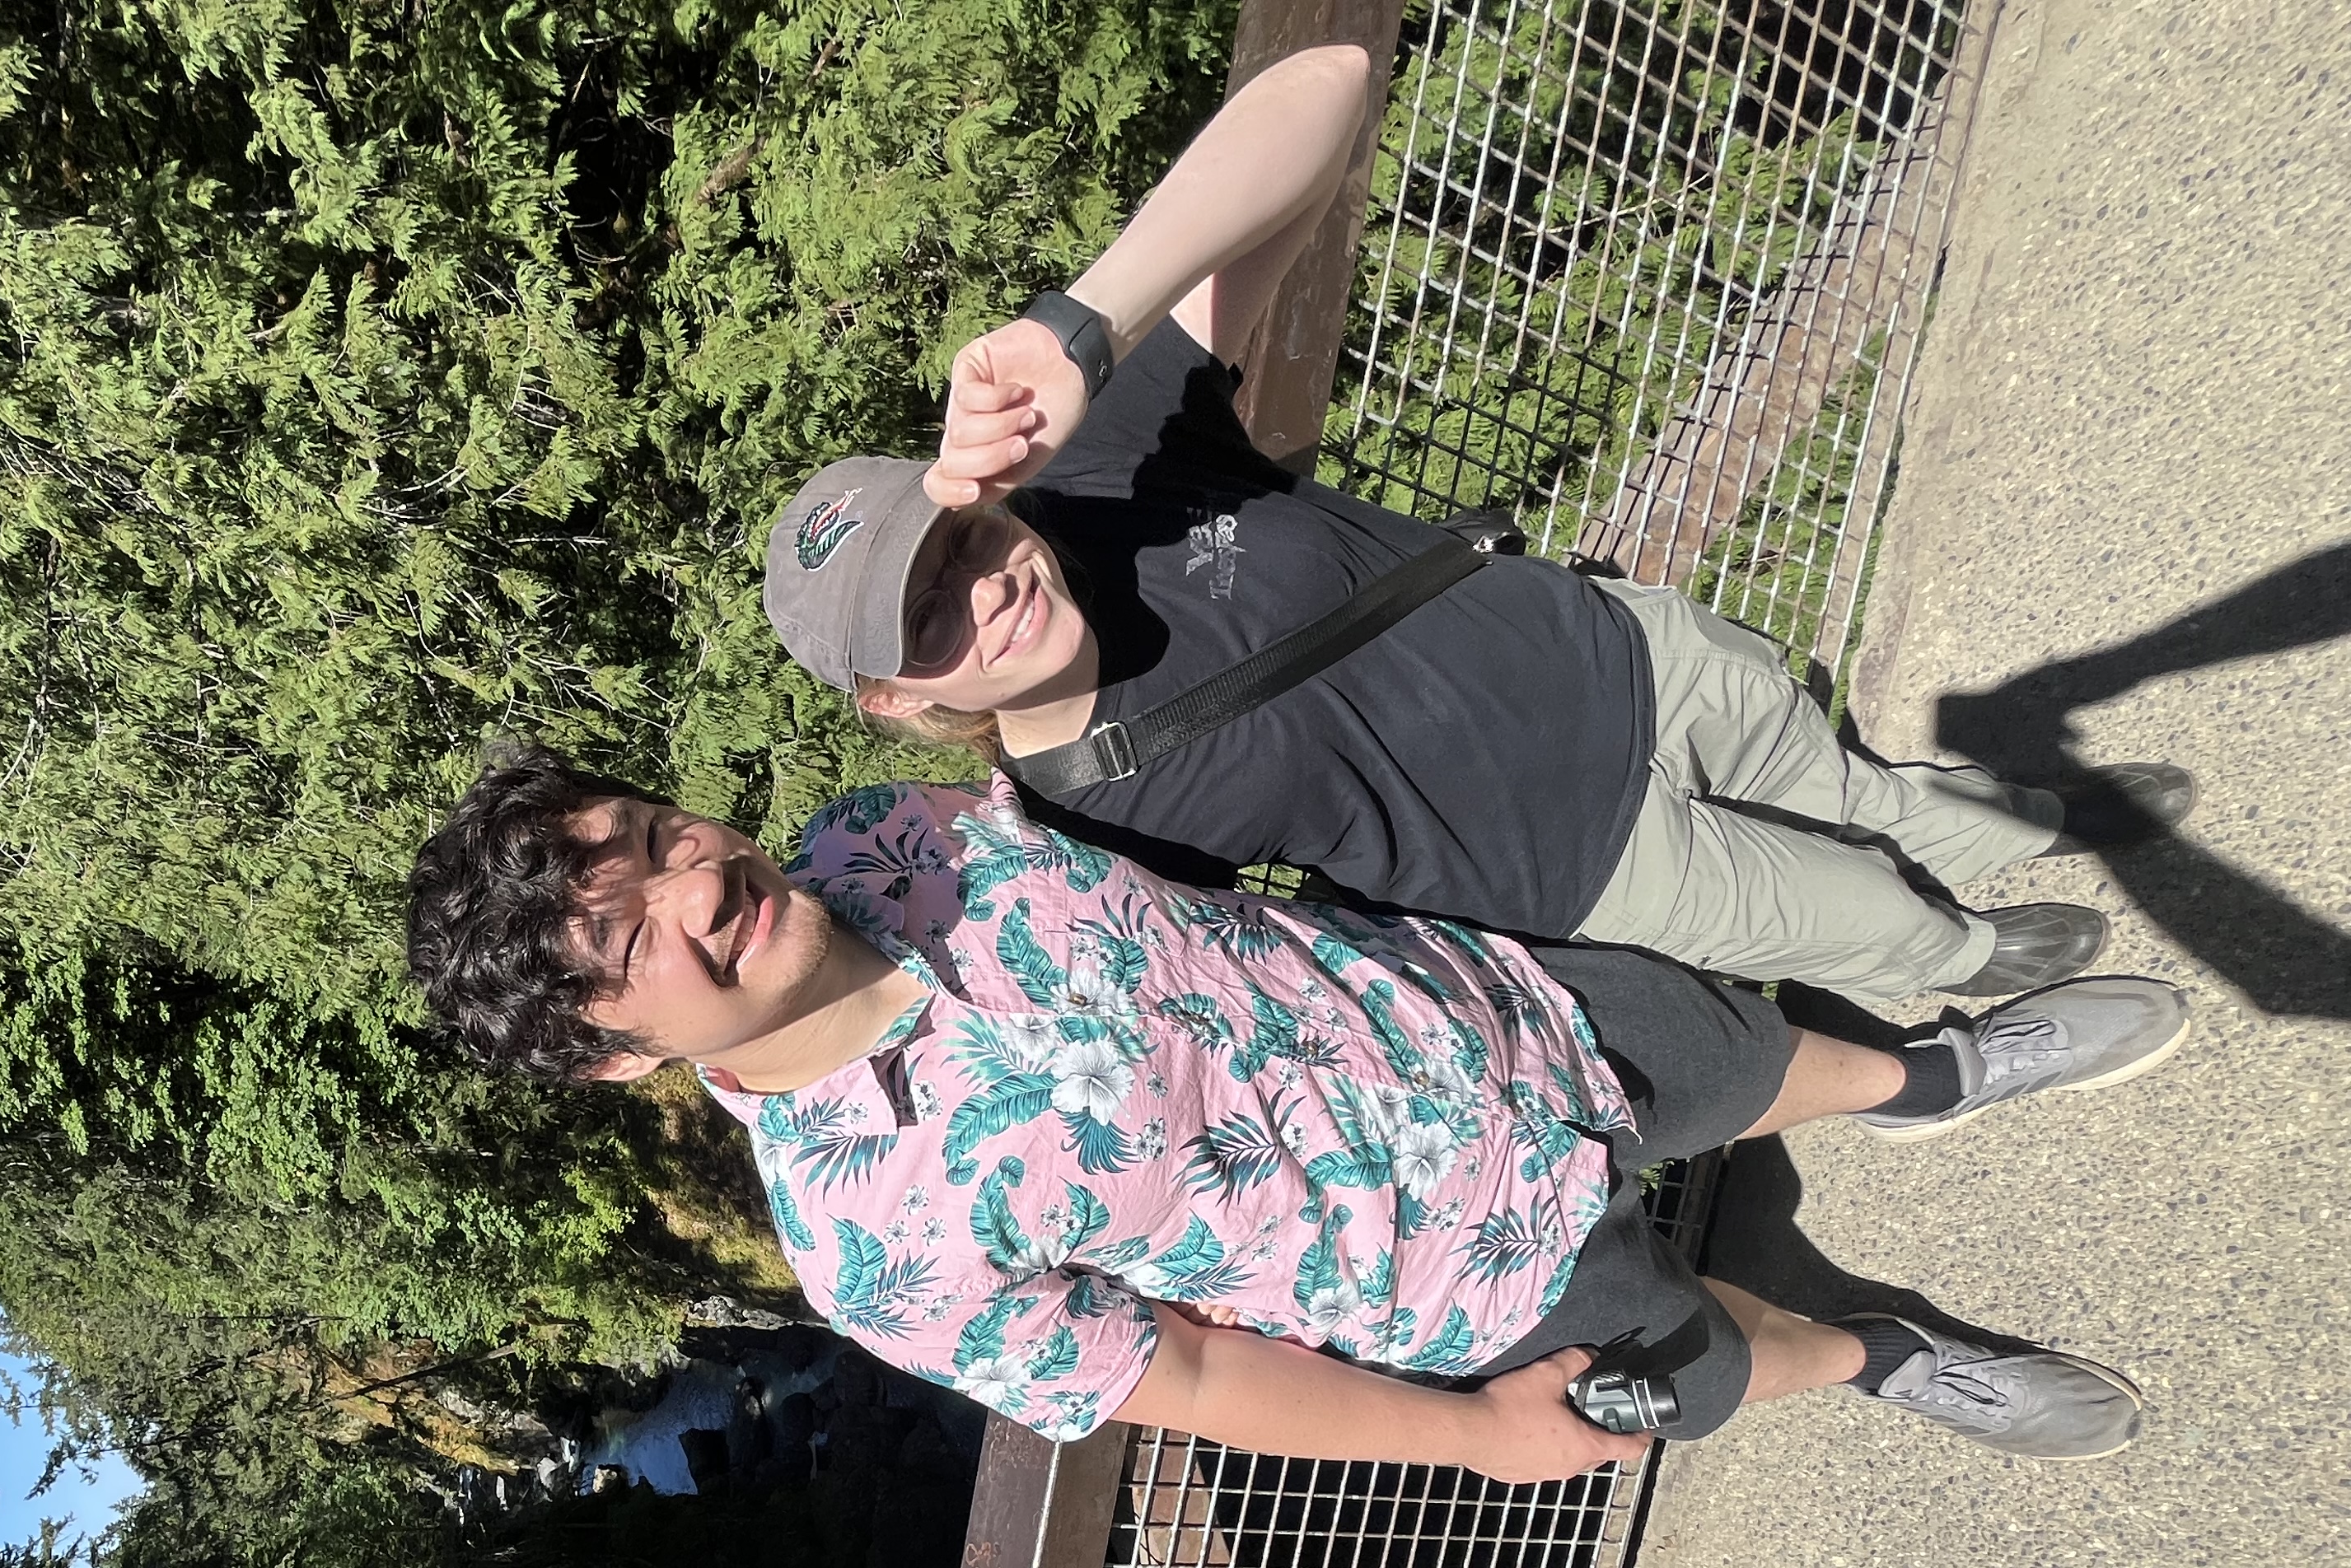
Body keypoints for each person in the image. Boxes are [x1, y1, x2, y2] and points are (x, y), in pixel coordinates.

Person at [757, 42, 2194, 1008]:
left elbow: (1328, 83)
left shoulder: (1112, 469)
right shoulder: (1083, 814)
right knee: (1871, 920)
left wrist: (1083, 324)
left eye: (955, 539)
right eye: (924, 620)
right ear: (898, 701)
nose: (981, 588)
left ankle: (2015, 825)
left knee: (1857, 787)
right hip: (1596, 858)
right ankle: (1967, 957)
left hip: (1629, 657)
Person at [403, 754, 2192, 1477]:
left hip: (1495, 1012)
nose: (694, 887)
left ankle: (1931, 1076)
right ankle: (1885, 1356)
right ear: (613, 1054)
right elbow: (1179, 1374)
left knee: (1740, 1054)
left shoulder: (898, 829)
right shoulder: (869, 1253)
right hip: (1465, 1274)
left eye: (655, 839)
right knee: (1706, 1371)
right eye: (631, 938)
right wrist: (1473, 1441)